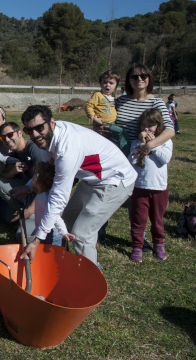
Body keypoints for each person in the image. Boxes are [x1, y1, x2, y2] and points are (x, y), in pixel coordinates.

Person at [18, 105, 137, 266]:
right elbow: (47, 166)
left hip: (114, 180)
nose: (35, 135)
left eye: (39, 128)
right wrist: (28, 186)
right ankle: (62, 264)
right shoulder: (51, 137)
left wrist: (37, 240)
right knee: (67, 221)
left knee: (82, 234)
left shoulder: (67, 149)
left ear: (51, 122)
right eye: (29, 130)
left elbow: (58, 197)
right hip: (92, 180)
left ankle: (90, 279)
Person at [129, 109, 173, 262]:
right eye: (143, 126)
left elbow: (165, 158)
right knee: (138, 219)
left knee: (157, 219)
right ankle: (137, 246)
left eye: (150, 126)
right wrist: (142, 144)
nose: (146, 130)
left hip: (159, 188)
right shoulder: (136, 142)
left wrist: (152, 145)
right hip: (140, 187)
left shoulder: (165, 142)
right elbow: (133, 161)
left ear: (158, 126)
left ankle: (159, 244)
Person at [0, 122, 49, 241]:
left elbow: (46, 184)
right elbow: (4, 176)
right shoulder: (15, 153)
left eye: (10, 135)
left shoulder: (34, 149)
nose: (7, 140)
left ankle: (33, 218)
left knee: (21, 236)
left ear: (19, 133)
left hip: (44, 198)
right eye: (3, 138)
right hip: (28, 192)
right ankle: (20, 213)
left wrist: (29, 210)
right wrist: (14, 170)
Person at [22, 161, 75, 246]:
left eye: (35, 188)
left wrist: (64, 232)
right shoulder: (42, 193)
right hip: (43, 230)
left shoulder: (45, 199)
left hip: (52, 234)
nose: (33, 186)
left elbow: (56, 218)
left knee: (55, 256)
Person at [85, 70, 127, 153]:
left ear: (116, 86)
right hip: (104, 124)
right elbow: (88, 106)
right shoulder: (98, 95)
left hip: (113, 123)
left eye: (111, 83)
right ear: (100, 84)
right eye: (104, 83)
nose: (107, 85)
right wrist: (94, 118)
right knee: (123, 134)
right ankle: (126, 154)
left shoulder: (112, 97)